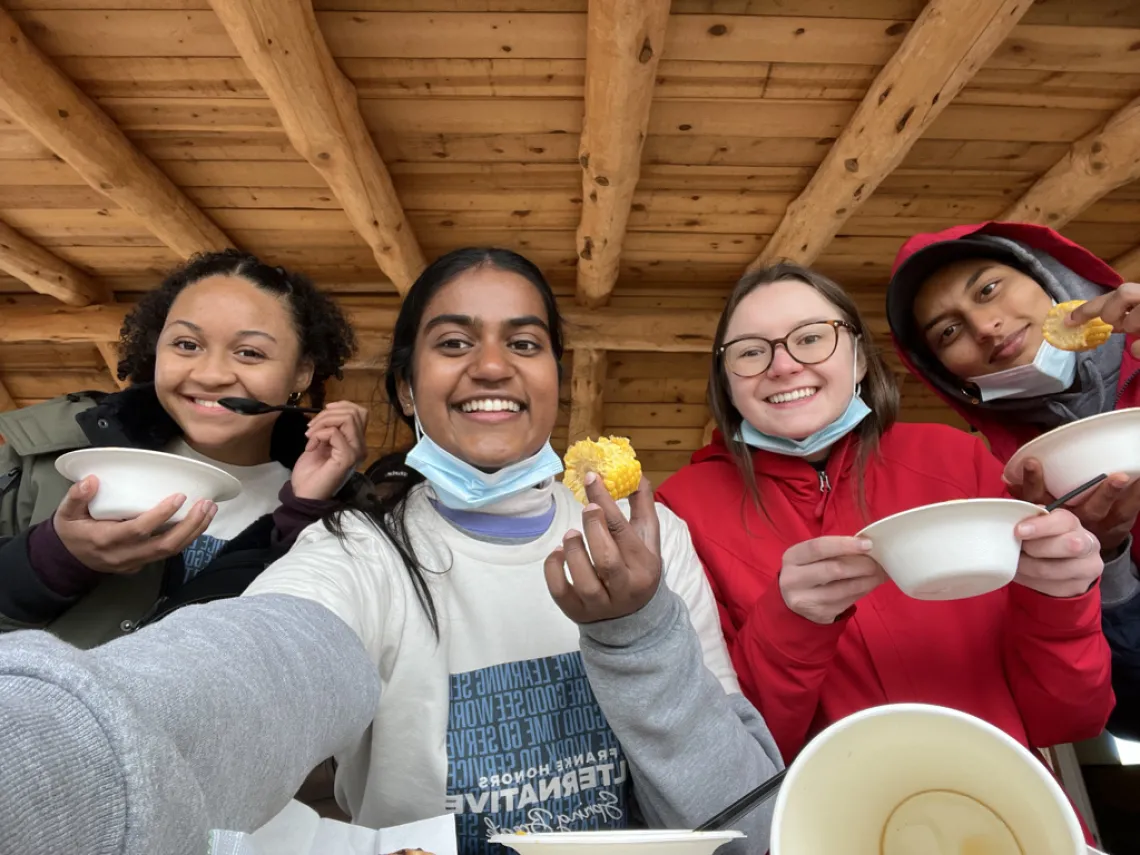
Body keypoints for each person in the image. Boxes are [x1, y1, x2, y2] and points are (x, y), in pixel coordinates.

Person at [0, 248, 783, 855]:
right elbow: (258, 665)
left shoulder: (647, 534)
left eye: (525, 341)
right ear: (407, 388)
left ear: (554, 379)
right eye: (453, 341)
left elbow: (741, 819)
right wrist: (57, 756)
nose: (490, 364)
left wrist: (641, 630)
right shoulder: (355, 550)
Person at [656, 262, 1113, 774]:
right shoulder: (679, 513)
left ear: (858, 360)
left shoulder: (956, 459)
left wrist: (1061, 601)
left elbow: (1070, 719)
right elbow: (729, 762)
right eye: (750, 352)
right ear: (727, 382)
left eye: (811, 338)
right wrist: (791, 624)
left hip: (1005, 809)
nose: (782, 366)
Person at [0, 249, 368, 648]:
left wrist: (304, 514)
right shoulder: (42, 455)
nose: (210, 375)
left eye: (249, 353)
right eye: (187, 344)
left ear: (302, 371)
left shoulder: (352, 512)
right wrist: (55, 556)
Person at [885, 221, 1140, 740]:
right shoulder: (1011, 494)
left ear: (1049, 279)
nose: (986, 326)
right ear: (952, 379)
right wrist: (1105, 554)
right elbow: (1129, 712)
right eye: (948, 332)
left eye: (988, 290)